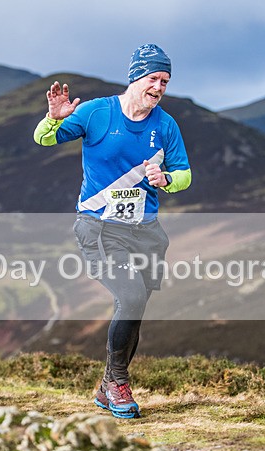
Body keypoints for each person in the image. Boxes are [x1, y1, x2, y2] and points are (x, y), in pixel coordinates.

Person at [33, 44, 192, 418]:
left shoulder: (166, 125)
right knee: (131, 296)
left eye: (165, 81)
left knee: (134, 308)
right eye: (153, 78)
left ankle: (108, 385)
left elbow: (185, 174)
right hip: (100, 228)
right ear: (136, 77)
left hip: (146, 231)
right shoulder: (97, 112)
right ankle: (118, 383)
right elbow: (43, 139)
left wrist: (167, 178)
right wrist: (53, 118)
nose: (159, 87)